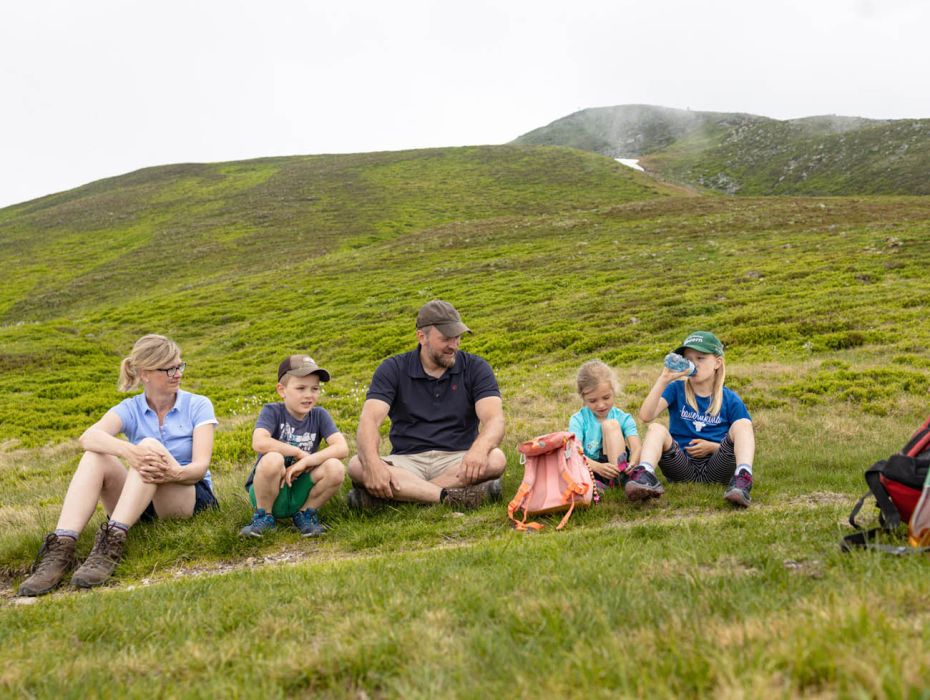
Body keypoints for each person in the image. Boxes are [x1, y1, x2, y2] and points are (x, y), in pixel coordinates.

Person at [18, 334, 219, 596]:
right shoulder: (130, 408)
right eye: (169, 368)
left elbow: (199, 468)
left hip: (187, 495)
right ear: (145, 373)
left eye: (179, 366)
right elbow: (88, 437)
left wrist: (171, 472)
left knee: (148, 445)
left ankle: (111, 543)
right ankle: (61, 548)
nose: (177, 373)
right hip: (140, 501)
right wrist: (129, 451)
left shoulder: (198, 404)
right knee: (95, 455)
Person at [348, 300, 506, 510]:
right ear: (422, 337)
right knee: (358, 465)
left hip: (458, 459)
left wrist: (478, 449)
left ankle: (402, 497)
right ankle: (450, 498)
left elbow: (494, 419)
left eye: (457, 337)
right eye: (446, 338)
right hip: (407, 461)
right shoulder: (392, 368)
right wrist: (374, 463)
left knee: (495, 458)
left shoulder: (476, 367)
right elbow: (369, 420)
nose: (454, 345)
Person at [627, 331, 755, 506]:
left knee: (743, 424)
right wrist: (664, 379)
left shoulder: (729, 398)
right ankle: (645, 475)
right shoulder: (676, 389)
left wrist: (713, 448)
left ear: (717, 362)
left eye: (700, 358)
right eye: (689, 359)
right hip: (681, 466)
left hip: (716, 466)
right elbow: (645, 416)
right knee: (656, 428)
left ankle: (742, 479)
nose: (693, 364)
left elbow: (742, 439)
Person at [239, 355, 347, 537]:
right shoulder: (272, 411)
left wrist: (306, 462)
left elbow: (341, 448)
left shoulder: (319, 415)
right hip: (269, 490)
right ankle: (263, 517)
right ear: (282, 390)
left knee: (336, 467)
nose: (309, 395)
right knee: (273, 458)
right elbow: (259, 442)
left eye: (315, 389)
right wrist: (297, 452)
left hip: (300, 488)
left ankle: (305, 515)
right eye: (301, 388)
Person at [569, 360, 642, 491]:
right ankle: (595, 484)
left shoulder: (623, 417)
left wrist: (633, 463)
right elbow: (575, 452)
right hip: (590, 467)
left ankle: (618, 479)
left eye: (606, 398)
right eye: (593, 401)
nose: (601, 405)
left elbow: (636, 446)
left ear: (613, 391)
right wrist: (597, 467)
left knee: (611, 425)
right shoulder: (578, 420)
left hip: (618, 466)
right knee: (571, 457)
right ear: (583, 398)